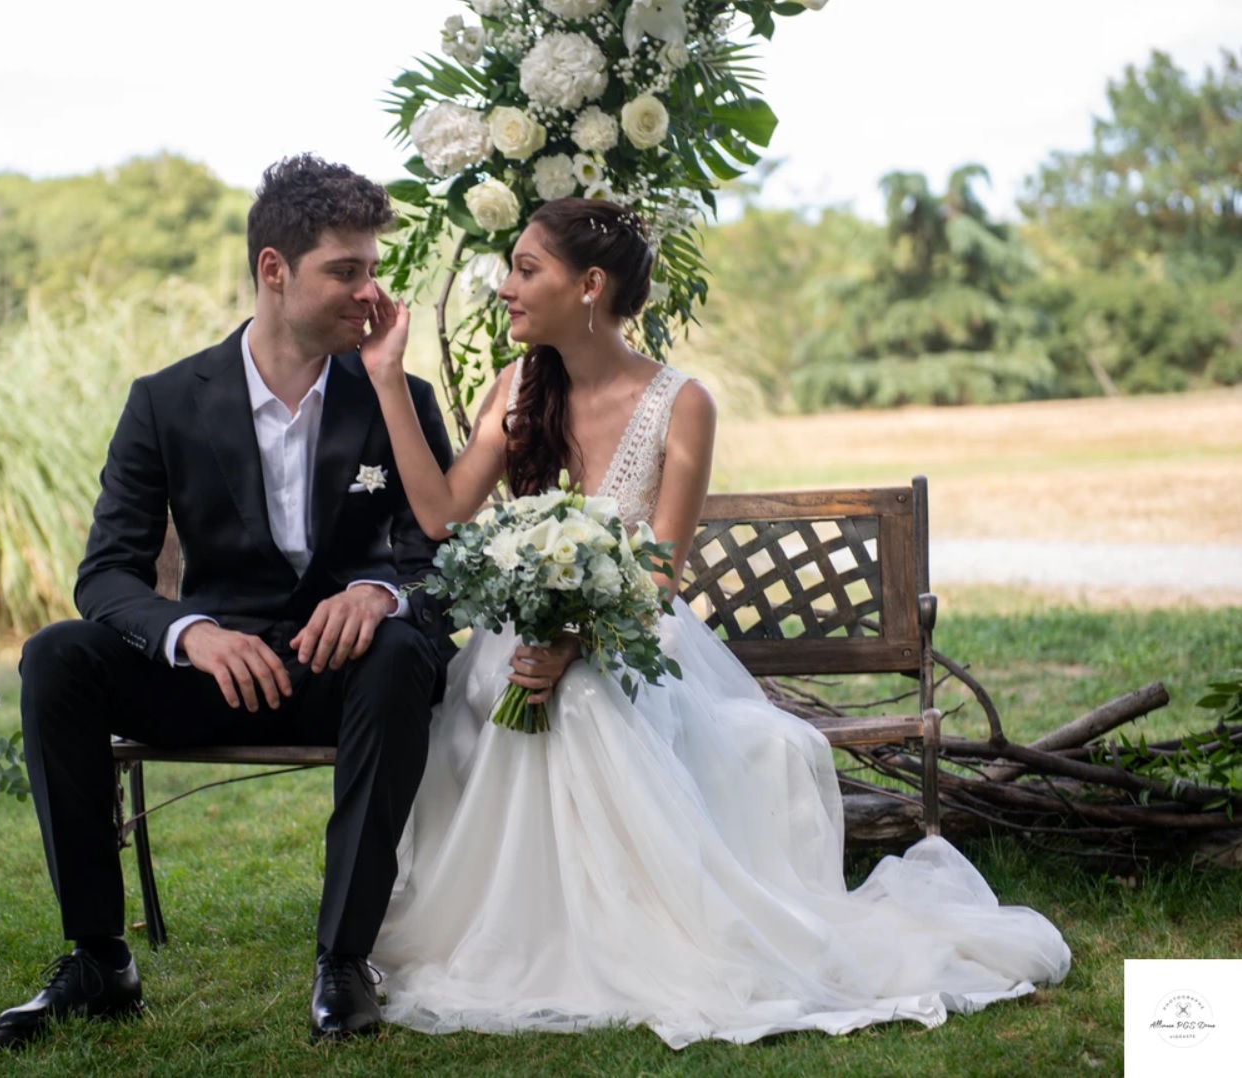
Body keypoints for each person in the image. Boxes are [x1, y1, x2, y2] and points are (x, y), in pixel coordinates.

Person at [357, 198, 1071, 1048]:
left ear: (588, 286)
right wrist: (387, 380)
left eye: (524, 267)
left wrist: (574, 643)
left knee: (583, 708)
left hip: (624, 636)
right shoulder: (513, 391)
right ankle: (521, 927)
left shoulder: (680, 403)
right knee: (508, 697)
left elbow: (657, 574)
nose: (506, 286)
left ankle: (626, 934)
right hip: (517, 645)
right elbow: (440, 514)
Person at [0, 155, 456, 1049]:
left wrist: (380, 594)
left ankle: (343, 961)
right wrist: (189, 633)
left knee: (402, 651)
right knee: (56, 654)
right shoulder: (164, 402)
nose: (371, 293)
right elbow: (108, 575)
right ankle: (99, 960)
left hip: (348, 673)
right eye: (345, 270)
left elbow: (440, 557)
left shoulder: (398, 398)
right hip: (217, 674)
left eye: (373, 268)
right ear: (273, 271)